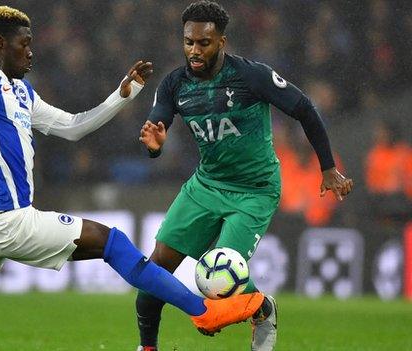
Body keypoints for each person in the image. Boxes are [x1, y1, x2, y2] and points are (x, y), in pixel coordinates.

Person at [0, 6, 264, 351]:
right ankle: (202, 310)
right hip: (5, 217)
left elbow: (73, 127)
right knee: (111, 242)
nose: (31, 52)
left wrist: (120, 95)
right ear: (0, 44)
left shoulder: (20, 92)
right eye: (24, 45)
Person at [135, 2, 353, 351]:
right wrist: (155, 147)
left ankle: (262, 308)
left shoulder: (251, 76)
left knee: (218, 283)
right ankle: (146, 347)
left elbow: (304, 109)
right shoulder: (175, 83)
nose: (194, 50)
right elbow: (156, 129)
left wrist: (327, 167)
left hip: (254, 191)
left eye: (203, 43)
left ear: (221, 42)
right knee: (152, 274)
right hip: (204, 186)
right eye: (188, 41)